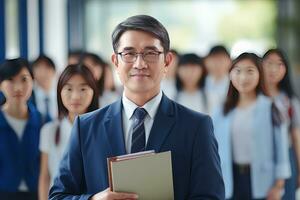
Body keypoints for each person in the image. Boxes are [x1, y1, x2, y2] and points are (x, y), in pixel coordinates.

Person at [49, 15, 224, 200]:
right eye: (129, 53)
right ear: (115, 62)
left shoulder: (196, 126)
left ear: (167, 61)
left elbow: (211, 196)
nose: (140, 64)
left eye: (150, 53)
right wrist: (93, 199)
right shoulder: (85, 127)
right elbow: (58, 196)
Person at [212, 53, 291, 200]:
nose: (243, 77)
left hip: (263, 181)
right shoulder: (221, 111)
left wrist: (278, 186)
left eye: (250, 71)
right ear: (230, 74)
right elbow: (212, 149)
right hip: (229, 178)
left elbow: (281, 149)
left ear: (260, 74)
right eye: (237, 71)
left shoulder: (271, 107)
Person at [38, 64, 99, 200]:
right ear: (59, 91)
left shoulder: (102, 129)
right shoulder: (49, 130)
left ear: (93, 91)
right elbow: (45, 176)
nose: (76, 96)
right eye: (69, 89)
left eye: (83, 89)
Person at [0, 58, 42, 200]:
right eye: (10, 80)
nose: (18, 87)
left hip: (37, 194)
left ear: (33, 82)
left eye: (24, 80)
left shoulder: (43, 121)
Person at [262, 49, 300, 200]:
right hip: (261, 158)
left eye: (279, 64)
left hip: (287, 158)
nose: (273, 69)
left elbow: (296, 137)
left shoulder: (290, 101)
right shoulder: (252, 97)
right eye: (269, 63)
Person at [30, 55, 57, 124]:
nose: (43, 73)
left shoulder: (61, 95)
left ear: (54, 71)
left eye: (47, 68)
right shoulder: (29, 97)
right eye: (38, 69)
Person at [204, 45, 231, 114]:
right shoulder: (200, 82)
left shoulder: (235, 83)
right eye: (214, 60)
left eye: (221, 60)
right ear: (206, 62)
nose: (217, 64)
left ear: (229, 61)